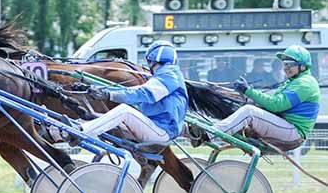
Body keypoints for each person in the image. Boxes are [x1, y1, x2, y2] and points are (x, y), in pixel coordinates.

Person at [46, 40, 189, 145]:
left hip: (161, 131)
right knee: (97, 117)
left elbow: (144, 94)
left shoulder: (170, 74)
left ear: (152, 59)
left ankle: (78, 132)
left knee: (124, 111)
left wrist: (109, 95)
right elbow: (134, 93)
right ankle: (55, 133)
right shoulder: (167, 74)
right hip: (154, 127)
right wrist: (101, 91)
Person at [191, 45, 320, 151]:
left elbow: (276, 105)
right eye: (284, 63)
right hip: (286, 126)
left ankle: (207, 135)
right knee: (243, 109)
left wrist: (248, 90)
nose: (286, 67)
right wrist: (247, 96)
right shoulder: (292, 81)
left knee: (249, 112)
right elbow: (270, 102)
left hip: (293, 133)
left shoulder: (305, 83)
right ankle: (190, 131)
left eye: (290, 64)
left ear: (302, 66)